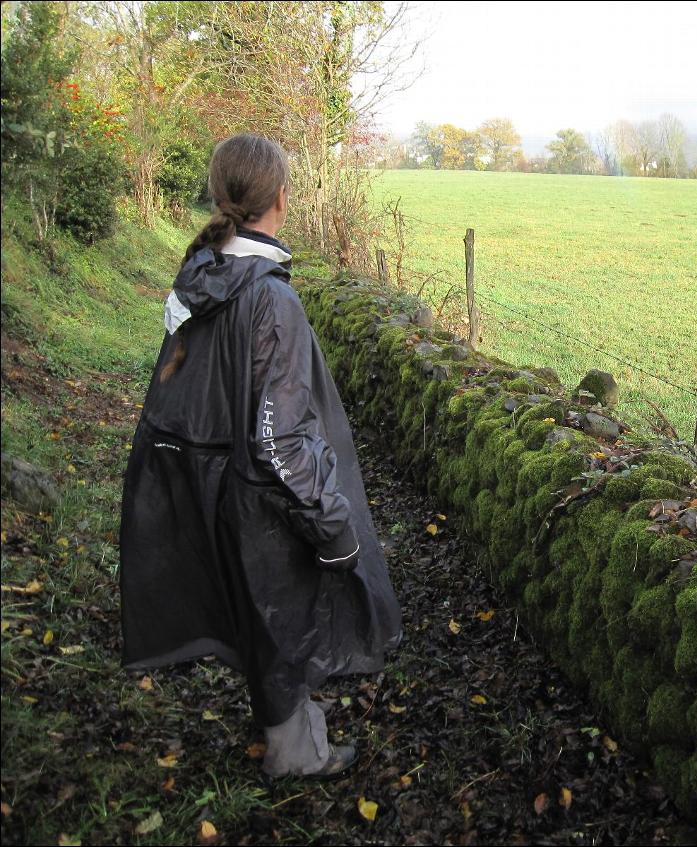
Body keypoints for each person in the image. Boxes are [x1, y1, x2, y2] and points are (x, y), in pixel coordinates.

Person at [118, 133, 402, 780]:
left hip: (215, 482)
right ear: (281, 197)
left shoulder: (203, 272)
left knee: (262, 615)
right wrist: (333, 525)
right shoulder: (271, 297)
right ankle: (295, 756)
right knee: (284, 619)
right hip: (260, 498)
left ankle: (291, 735)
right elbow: (281, 440)